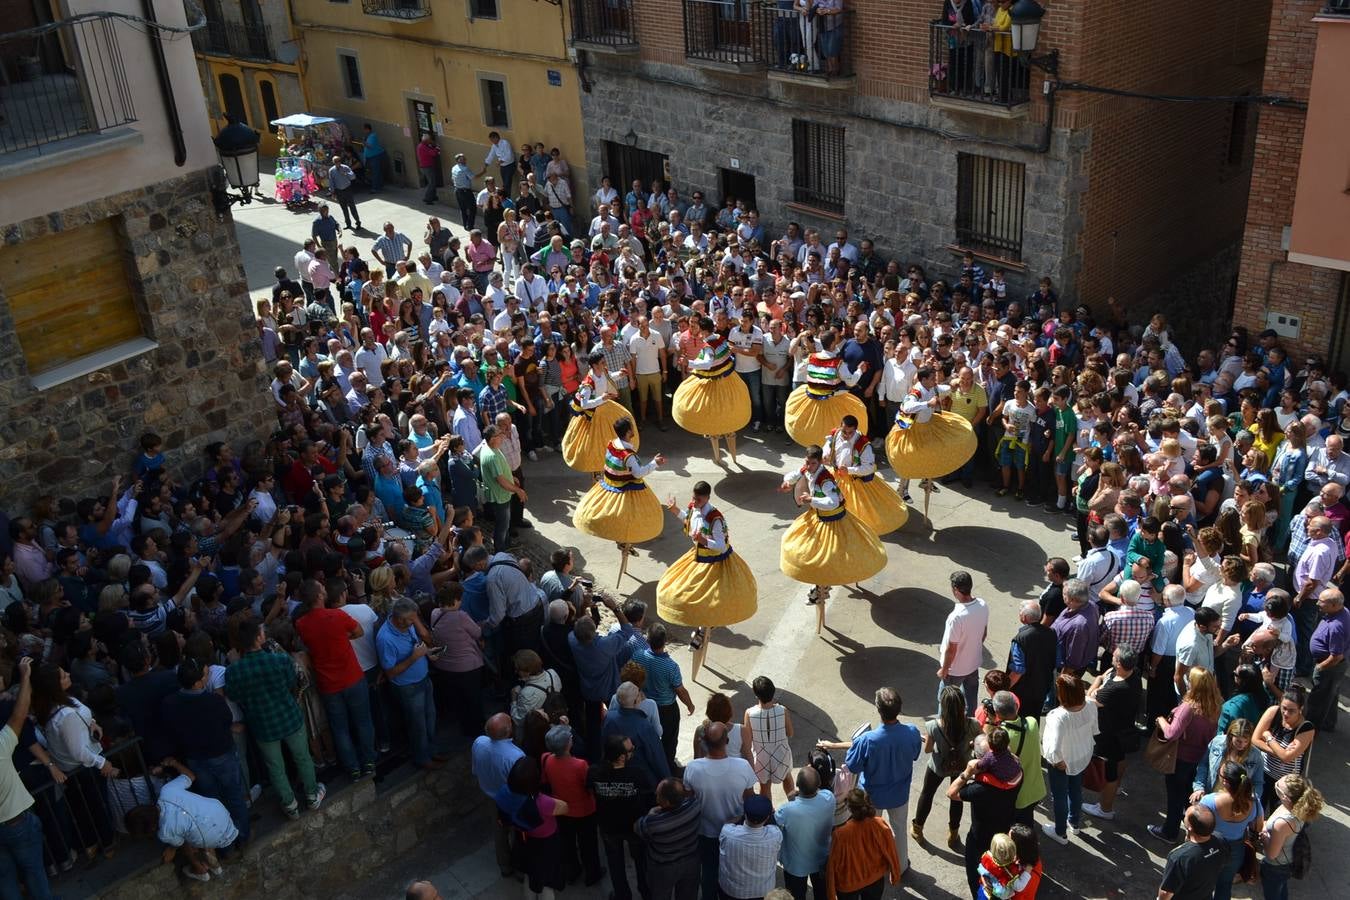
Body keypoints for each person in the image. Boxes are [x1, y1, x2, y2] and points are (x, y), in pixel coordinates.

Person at [224, 620, 325, 820]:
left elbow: (234, 695)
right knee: (302, 757)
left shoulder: (234, 671)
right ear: (259, 638)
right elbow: (290, 682)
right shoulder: (279, 660)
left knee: (275, 766)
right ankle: (312, 795)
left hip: (262, 724)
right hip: (289, 717)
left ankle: (290, 804)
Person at [816, 687, 921, 875]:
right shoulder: (912, 732)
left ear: (878, 709)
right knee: (899, 831)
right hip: (900, 794)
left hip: (873, 796)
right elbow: (914, 755)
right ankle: (901, 866)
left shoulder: (867, 740)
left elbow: (853, 766)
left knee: (870, 832)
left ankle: (874, 864)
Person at [293, 579, 377, 780]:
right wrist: (341, 638)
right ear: (320, 596)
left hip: (328, 684)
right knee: (363, 722)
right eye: (322, 588)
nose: (325, 589)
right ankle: (368, 761)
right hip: (352, 677)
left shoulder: (301, 624)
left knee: (340, 728)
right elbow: (358, 631)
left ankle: (353, 767)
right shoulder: (337, 615)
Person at [682, 721, 757, 900]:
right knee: (732, 871)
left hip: (705, 832)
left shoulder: (693, 768)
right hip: (736, 832)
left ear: (705, 743)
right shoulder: (742, 766)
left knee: (708, 871)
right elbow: (750, 798)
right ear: (727, 741)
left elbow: (688, 798)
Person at [0, 658, 53, 900]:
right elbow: (19, 715)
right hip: (16, 823)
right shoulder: (0, 746)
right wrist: (26, 677)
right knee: (34, 871)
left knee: (5, 879)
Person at [1149, 667, 1222, 842]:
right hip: (1201, 759)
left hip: (1180, 759)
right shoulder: (1217, 704)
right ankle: (1196, 830)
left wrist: (1160, 720)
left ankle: (1169, 832)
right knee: (1192, 797)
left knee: (1175, 797)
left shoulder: (1188, 708)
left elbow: (1171, 734)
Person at [377, 597, 449, 771]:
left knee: (430, 718)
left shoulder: (406, 626)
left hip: (423, 679)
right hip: (408, 687)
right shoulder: (385, 638)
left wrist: (426, 653)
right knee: (417, 725)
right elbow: (390, 672)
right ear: (400, 619)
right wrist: (415, 657)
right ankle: (422, 758)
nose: (414, 622)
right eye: (411, 619)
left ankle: (432, 750)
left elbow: (418, 644)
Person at [948, 730, 1022, 900]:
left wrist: (967, 773)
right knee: (1001, 876)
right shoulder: (1017, 773)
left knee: (978, 879)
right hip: (1004, 835)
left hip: (980, 839)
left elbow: (951, 792)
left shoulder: (979, 789)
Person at [911, 685, 979, 851]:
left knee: (927, 794)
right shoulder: (973, 724)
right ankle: (953, 833)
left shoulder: (933, 726)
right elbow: (980, 743)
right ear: (963, 704)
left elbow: (927, 749)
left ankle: (918, 829)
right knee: (956, 798)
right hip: (962, 767)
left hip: (938, 766)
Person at [1081, 646, 1142, 821]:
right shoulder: (1134, 675)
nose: (1111, 658)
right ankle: (1116, 788)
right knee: (1120, 761)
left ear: (1120, 664)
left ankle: (1105, 808)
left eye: (1114, 657)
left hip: (1109, 734)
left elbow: (1091, 699)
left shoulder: (1115, 688)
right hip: (1124, 730)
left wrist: (1098, 681)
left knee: (1109, 772)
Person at [495, 757, 566, 900]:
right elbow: (565, 807)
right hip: (546, 843)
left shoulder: (503, 793)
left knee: (530, 873)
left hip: (523, 838)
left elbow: (502, 820)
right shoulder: (541, 802)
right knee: (546, 882)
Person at [1038, 674, 1097, 845]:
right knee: (1076, 790)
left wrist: (1057, 761)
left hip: (1063, 761)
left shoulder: (1057, 716)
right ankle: (1074, 822)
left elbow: (1052, 746)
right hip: (1082, 755)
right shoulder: (1091, 706)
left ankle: (1060, 832)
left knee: (1060, 796)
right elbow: (1094, 729)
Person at [473, 713, 525, 878]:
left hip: (491, 797)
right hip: (511, 801)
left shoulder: (479, 743)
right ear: (509, 730)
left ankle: (505, 866)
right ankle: (519, 868)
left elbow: (476, 770)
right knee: (518, 833)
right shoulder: (515, 755)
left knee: (499, 832)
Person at [825, 789, 902, 900]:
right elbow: (891, 849)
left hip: (849, 884)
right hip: (875, 879)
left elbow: (833, 865)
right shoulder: (879, 824)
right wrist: (895, 874)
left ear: (849, 808)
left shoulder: (840, 834)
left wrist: (831, 894)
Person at [1251, 684, 1315, 813]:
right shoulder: (1273, 712)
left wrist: (1269, 738)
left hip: (1286, 784)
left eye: (1291, 710)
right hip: (1262, 774)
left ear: (1300, 709)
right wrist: (1279, 752)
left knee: (1280, 816)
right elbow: (1254, 740)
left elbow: (1286, 758)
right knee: (1256, 811)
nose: (1286, 713)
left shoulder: (1306, 729)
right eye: (1284, 708)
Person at [637, 777, 702, 900]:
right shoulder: (694, 806)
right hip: (691, 862)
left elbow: (638, 829)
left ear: (666, 802)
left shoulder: (652, 823)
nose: (656, 796)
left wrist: (651, 814)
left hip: (664, 868)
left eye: (658, 795)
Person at [1260, 774, 1323, 900]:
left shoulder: (1283, 822)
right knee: (1281, 891)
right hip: (1286, 861)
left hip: (1276, 867)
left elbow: (1272, 854)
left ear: (1285, 797)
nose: (1276, 784)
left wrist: (1264, 837)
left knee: (1273, 895)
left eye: (1278, 786)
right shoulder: (1297, 807)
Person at [776, 766, 833, 900]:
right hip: (821, 860)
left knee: (796, 896)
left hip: (795, 865)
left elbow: (777, 823)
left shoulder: (787, 810)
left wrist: (791, 800)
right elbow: (823, 793)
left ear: (797, 786)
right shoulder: (829, 798)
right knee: (822, 894)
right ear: (818, 784)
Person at [938, 571, 990, 713]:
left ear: (955, 590)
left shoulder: (956, 617)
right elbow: (984, 633)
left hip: (954, 670)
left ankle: (942, 729)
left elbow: (951, 648)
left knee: (945, 702)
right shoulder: (982, 605)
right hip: (974, 664)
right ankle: (970, 726)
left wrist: (944, 670)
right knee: (971, 701)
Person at [1156, 805, 1230, 900]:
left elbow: (1166, 892)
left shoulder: (1180, 857)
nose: (1184, 816)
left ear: (1190, 827)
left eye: (1185, 815)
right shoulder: (1220, 839)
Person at [717, 794, 782, 900]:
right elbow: (773, 825)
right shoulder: (775, 835)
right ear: (767, 817)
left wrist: (740, 816)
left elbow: (727, 823)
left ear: (745, 815)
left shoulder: (728, 833)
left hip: (731, 891)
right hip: (763, 892)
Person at [603, 682, 669, 780]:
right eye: (639, 694)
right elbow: (657, 757)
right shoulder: (644, 726)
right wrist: (667, 778)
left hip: (613, 773)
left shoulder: (609, 717)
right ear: (635, 701)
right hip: (639, 778)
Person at [1306, 585, 1349, 732]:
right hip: (1334, 666)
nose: (1318, 603)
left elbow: (1336, 657)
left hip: (1330, 667)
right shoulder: (1342, 612)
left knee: (1318, 699)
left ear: (1334, 605)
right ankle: (1328, 723)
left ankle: (1310, 728)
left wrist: (1320, 667)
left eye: (1321, 601)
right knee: (1330, 695)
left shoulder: (1337, 626)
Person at [744, 675, 794, 799]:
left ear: (756, 695)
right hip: (782, 753)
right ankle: (793, 803)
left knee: (764, 787)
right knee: (787, 777)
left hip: (761, 757)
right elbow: (790, 733)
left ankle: (768, 813)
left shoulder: (749, 713)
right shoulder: (783, 711)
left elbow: (748, 738)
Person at [1005, 600, 1055, 718]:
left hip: (1023, 691)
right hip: (1042, 687)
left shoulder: (1021, 639)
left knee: (1019, 719)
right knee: (1034, 717)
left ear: (1025, 617)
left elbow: (1018, 670)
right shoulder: (1051, 632)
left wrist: (1005, 687)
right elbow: (1057, 661)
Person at [327, 154, 361, 230]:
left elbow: (353, 177)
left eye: (338, 161)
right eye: (335, 161)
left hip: (347, 189)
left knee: (352, 207)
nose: (337, 163)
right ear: (333, 162)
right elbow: (331, 182)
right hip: (339, 191)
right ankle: (348, 224)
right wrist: (332, 192)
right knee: (344, 208)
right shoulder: (331, 171)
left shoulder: (345, 167)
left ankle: (358, 222)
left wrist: (346, 174)